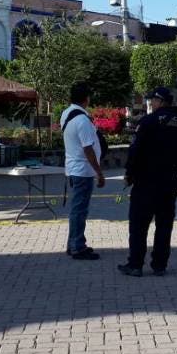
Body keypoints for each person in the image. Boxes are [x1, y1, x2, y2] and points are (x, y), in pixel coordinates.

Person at [119, 87, 177, 277]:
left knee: (139, 225)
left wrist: (129, 174)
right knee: (164, 225)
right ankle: (160, 265)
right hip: (169, 181)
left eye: (153, 100)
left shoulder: (148, 121)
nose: (151, 103)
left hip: (145, 181)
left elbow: (135, 151)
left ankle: (135, 264)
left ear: (160, 102)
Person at [61, 82, 106, 261]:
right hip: (83, 170)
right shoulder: (82, 120)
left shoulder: (66, 114)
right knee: (79, 210)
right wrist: (99, 172)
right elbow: (88, 149)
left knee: (77, 209)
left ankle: (73, 244)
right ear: (87, 98)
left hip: (73, 168)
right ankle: (77, 247)